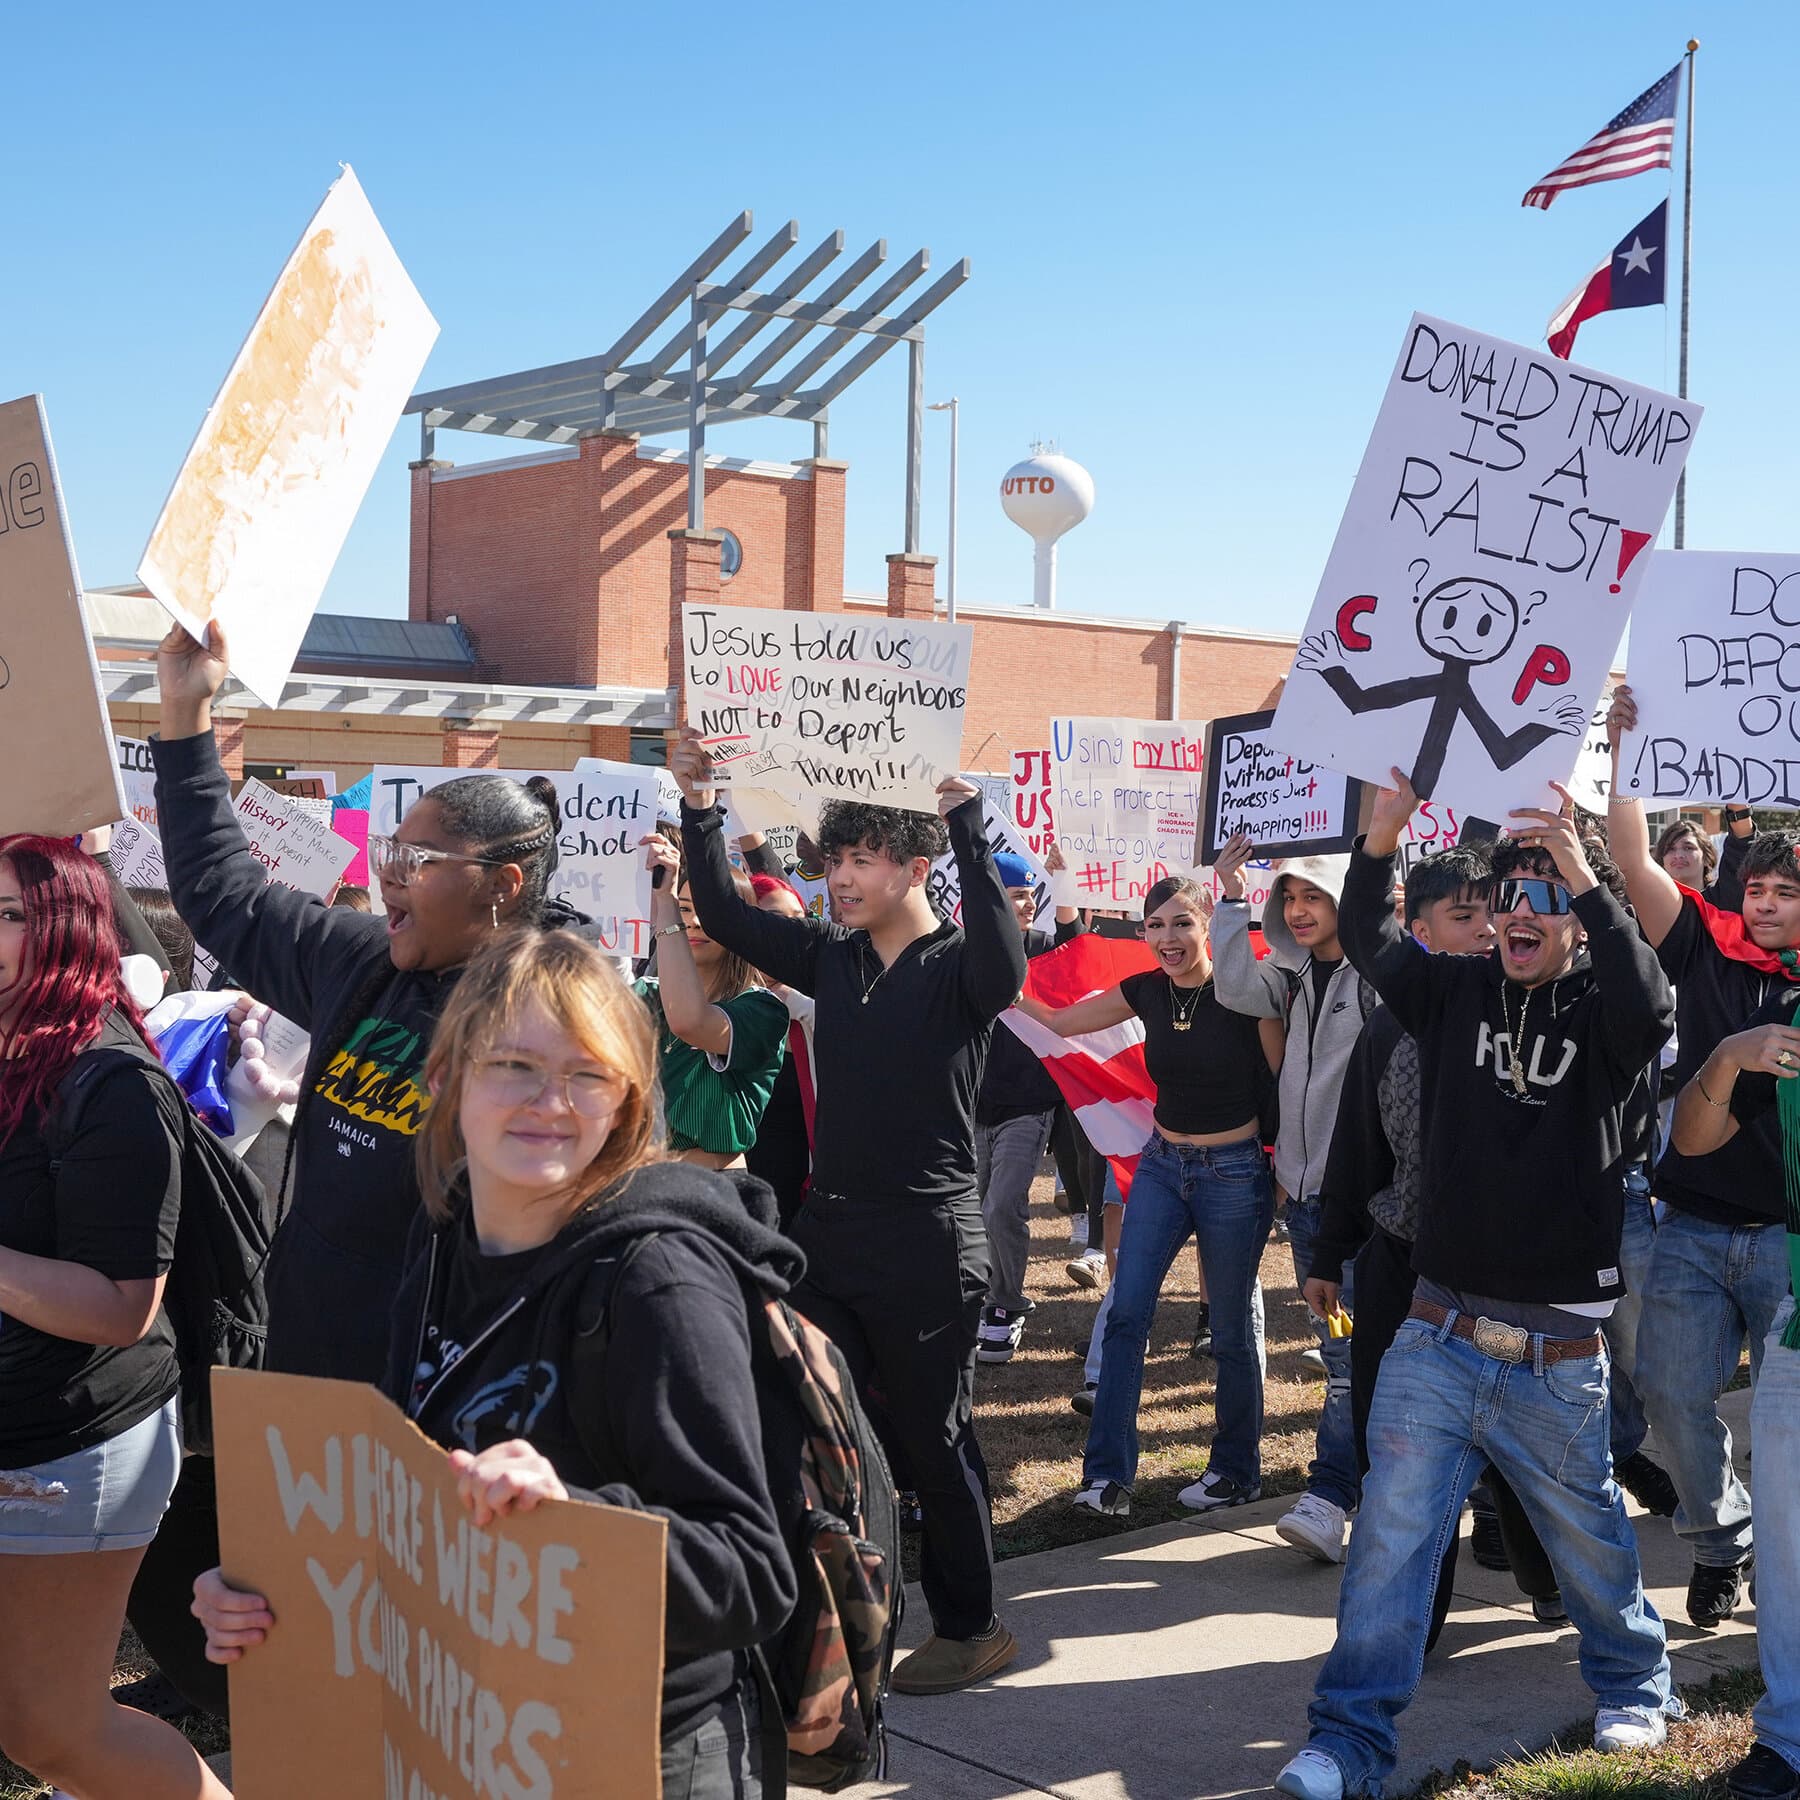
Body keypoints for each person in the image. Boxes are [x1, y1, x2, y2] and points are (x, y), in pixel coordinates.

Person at [195, 928, 798, 1795]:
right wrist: (272, 1587)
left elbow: (751, 1572)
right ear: (444, 1079)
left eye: (588, 1075)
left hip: (641, 1750)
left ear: (627, 1104)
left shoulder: (656, 1279)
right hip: (477, 1725)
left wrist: (572, 1521)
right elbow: (416, 1504)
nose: (550, 1101)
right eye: (513, 1064)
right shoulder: (440, 1238)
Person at [134, 619, 573, 1713]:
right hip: (304, 1370)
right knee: (286, 1645)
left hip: (442, 1403)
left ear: (503, 886)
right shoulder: (358, 966)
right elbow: (221, 891)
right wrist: (185, 716)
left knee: (421, 1668)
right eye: (391, 852)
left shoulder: (553, 1028)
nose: (389, 878)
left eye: (418, 862)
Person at [1276, 771, 1678, 1800]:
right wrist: (1381, 834)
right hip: (1435, 1334)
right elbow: (1368, 930)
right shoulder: (1448, 993)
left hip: (1556, 1357)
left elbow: (1649, 989)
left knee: (1588, 1540)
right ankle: (1347, 1745)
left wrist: (1582, 868)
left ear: (1581, 921)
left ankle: (1635, 1684)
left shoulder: (1608, 1012)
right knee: (1391, 1549)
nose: (1521, 914)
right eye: (1511, 895)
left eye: (1548, 898)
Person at [671, 727, 1026, 1697]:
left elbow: (1007, 967)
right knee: (803, 1413)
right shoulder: (831, 958)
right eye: (833, 861)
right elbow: (721, 914)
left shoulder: (959, 969)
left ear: (914, 866)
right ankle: (829, 1610)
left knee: (929, 1435)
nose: (839, 878)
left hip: (927, 1240)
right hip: (828, 1231)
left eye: (861, 860)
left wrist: (968, 826)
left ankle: (972, 1623)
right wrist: (703, 807)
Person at [0, 834, 230, 1800]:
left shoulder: (111, 1079)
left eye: (11, 914)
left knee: (50, 1730)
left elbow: (122, 1306)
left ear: (66, 926)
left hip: (74, 1437)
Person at [1607, 685, 1790, 1626]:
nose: (1762, 904)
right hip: (1692, 1223)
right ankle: (1724, 1540)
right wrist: (1625, 753)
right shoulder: (1706, 950)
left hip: (1789, 1241)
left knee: (1785, 1421)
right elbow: (1632, 859)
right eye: (1754, 887)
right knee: (1676, 1400)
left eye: (1785, 892)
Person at [1018, 876, 1280, 1516]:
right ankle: (1108, 1478)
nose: (1168, 938)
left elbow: (1281, 1087)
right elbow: (1058, 1019)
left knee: (1230, 1330)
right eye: (1155, 925)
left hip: (1235, 1172)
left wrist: (1275, 1180)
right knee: (1127, 1311)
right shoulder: (1145, 991)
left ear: (1209, 926)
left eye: (1181, 923)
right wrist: (1000, 983)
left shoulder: (1250, 996)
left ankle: (1235, 1470)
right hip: (1162, 1166)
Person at [1212, 831, 1374, 1563]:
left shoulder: (1379, 975)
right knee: (1342, 1347)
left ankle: (1332, 1493)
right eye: (1291, 898)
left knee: (1358, 1355)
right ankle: (1355, 1490)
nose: (1301, 910)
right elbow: (1232, 985)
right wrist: (1232, 894)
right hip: (1309, 1201)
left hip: (1368, 1205)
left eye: (1315, 895)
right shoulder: (1293, 974)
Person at [1670, 987, 1800, 1800]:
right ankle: (1789, 1736)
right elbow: (1692, 1140)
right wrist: (1727, 1056)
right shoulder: (1789, 1025)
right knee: (1787, 1542)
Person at [975, 851, 1082, 1364]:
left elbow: (1076, 949)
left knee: (1001, 1206)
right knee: (973, 1210)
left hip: (1030, 1105)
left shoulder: (1041, 949)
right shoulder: (965, 952)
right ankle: (981, 1292)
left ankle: (1007, 1302)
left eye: (1027, 896)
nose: (1023, 905)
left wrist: (1062, 883)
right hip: (973, 1107)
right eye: (1013, 895)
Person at [638, 835, 789, 1169]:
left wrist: (668, 907)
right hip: (638, 1183)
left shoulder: (762, 1010)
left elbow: (690, 1022)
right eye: (685, 908)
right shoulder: (643, 995)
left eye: (706, 911)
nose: (692, 922)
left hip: (714, 1185)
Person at [743, 873, 817, 1228]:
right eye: (775, 918)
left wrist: (801, 1006)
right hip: (741, 1190)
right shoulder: (714, 1005)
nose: (790, 930)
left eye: (799, 919)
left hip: (812, 1196)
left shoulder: (827, 999)